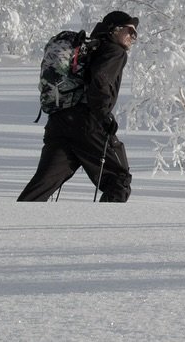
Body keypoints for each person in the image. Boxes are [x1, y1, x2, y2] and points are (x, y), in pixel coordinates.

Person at [17, 11, 137, 202]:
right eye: (130, 30)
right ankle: (105, 231)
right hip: (87, 123)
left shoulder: (89, 49)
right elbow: (100, 78)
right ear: (114, 30)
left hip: (59, 122)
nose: (133, 37)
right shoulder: (114, 50)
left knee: (43, 184)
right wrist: (104, 114)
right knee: (119, 180)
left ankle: (15, 225)